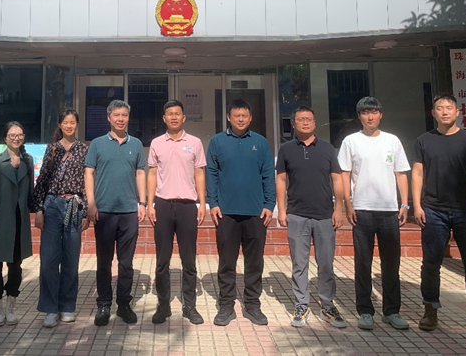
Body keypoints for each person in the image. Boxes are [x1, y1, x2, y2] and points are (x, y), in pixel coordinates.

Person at [412, 92, 466, 339]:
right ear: (433, 113)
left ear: (458, 112)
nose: (445, 111)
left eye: (449, 107)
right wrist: (417, 206)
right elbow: (417, 173)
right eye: (440, 108)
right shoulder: (424, 140)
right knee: (431, 263)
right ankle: (430, 310)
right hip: (433, 210)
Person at [338, 97, 410, 331]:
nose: (370, 117)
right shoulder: (351, 141)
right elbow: (344, 174)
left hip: (389, 211)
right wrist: (348, 204)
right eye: (365, 113)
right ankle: (365, 311)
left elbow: (401, 173)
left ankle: (392, 311)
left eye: (374, 112)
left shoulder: (392, 141)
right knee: (363, 262)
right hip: (362, 210)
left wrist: (405, 204)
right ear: (359, 116)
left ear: (381, 115)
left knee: (391, 263)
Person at [206, 99, 275, 327]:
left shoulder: (260, 142)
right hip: (226, 213)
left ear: (250, 117)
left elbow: (268, 174)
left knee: (254, 263)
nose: (241, 119)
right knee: (227, 262)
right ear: (229, 117)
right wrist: (213, 203)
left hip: (256, 212)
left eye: (244, 115)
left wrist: (269, 204)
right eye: (236, 115)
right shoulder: (217, 141)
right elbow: (211, 174)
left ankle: (253, 305)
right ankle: (226, 305)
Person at [276, 106, 346, 329]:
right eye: (301, 119)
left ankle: (327, 305)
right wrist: (282, 210)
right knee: (299, 264)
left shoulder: (327, 149)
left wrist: (339, 208)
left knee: (326, 264)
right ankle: (302, 305)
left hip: (325, 215)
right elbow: (281, 180)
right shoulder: (286, 149)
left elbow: (337, 179)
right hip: (297, 214)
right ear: (293, 123)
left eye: (309, 119)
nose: (305, 122)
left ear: (315, 123)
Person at [84, 99, 147, 326]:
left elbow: (140, 173)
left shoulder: (136, 144)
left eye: (124, 115)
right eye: (116, 115)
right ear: (109, 117)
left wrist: (142, 203)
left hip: (129, 211)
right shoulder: (98, 144)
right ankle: (103, 304)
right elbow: (89, 173)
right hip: (104, 211)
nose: (121, 119)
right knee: (104, 261)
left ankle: (124, 304)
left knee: (126, 262)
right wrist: (91, 203)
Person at [147, 100, 206, 325]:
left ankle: (189, 305)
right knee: (162, 260)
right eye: (170, 114)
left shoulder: (195, 142)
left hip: (187, 206)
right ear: (164, 118)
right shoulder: (156, 143)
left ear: (184, 117)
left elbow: (199, 173)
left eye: (177, 114)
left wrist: (202, 203)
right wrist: (150, 204)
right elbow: (152, 174)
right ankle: (163, 305)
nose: (174, 117)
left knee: (188, 260)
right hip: (163, 205)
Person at [31, 109, 89, 328]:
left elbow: (87, 182)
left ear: (77, 124)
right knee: (48, 259)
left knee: (71, 258)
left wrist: (86, 212)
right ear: (60, 124)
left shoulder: (84, 149)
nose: (69, 126)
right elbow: (42, 180)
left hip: (74, 205)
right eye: (65, 122)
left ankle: (67, 307)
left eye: (72, 122)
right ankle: (49, 308)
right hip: (52, 206)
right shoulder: (52, 149)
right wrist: (38, 209)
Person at [0, 121, 34, 327]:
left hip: (19, 220)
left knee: (15, 266)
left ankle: (11, 307)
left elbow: (30, 192)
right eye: (12, 135)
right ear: (5, 138)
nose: (16, 138)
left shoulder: (28, 161)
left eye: (19, 135)